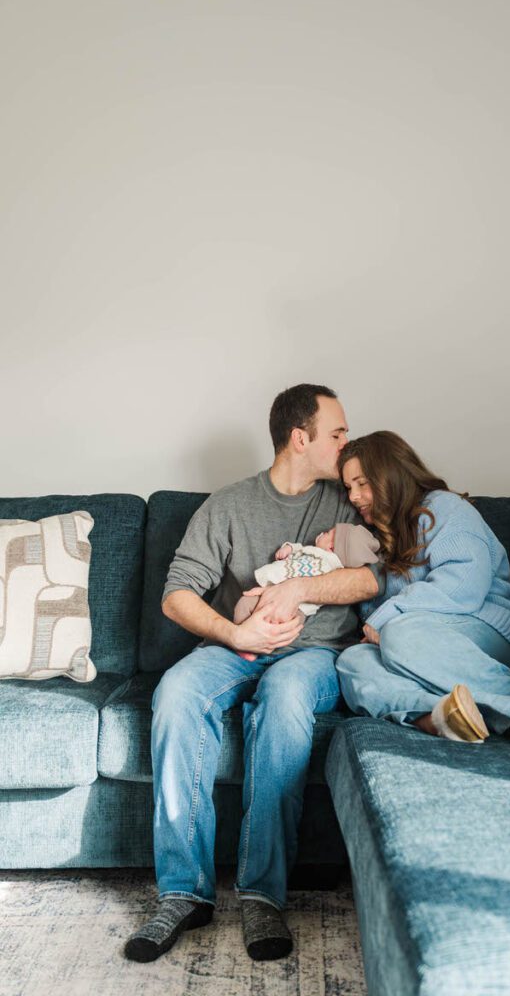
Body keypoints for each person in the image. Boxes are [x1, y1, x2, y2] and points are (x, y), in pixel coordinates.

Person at [124, 384, 380, 965]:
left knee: (285, 697)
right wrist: (237, 634)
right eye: (336, 434)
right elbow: (176, 595)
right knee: (177, 691)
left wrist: (298, 588)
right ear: (300, 438)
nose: (346, 444)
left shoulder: (348, 503)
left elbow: (374, 579)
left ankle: (262, 892)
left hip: (313, 654)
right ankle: (182, 892)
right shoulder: (229, 504)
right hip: (239, 647)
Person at [335, 431, 510, 747]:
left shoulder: (445, 509)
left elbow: (463, 588)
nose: (354, 497)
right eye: (348, 488)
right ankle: (443, 716)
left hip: (500, 639)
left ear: (390, 474)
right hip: (430, 651)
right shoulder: (379, 540)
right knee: (353, 660)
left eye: (362, 484)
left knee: (399, 633)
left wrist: (387, 617)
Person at [232, 523, 380, 632]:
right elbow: (300, 549)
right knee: (247, 605)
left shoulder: (332, 567)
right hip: (270, 591)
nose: (323, 532)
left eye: (328, 533)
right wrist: (289, 548)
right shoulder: (313, 551)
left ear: (331, 548)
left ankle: (254, 643)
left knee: (282, 625)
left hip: (299, 608)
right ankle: (245, 639)